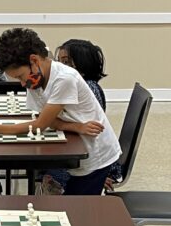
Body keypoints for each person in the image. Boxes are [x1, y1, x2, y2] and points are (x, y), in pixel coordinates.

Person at [0, 28, 120, 195]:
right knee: (69, 203)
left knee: (76, 208)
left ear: (34, 60)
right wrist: (75, 126)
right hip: (74, 146)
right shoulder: (35, 80)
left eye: (20, 76)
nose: (22, 83)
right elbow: (47, 120)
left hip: (96, 155)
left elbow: (40, 125)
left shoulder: (64, 79)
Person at [44, 39, 122, 194]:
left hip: (95, 160)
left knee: (48, 168)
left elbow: (90, 130)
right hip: (87, 152)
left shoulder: (88, 88)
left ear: (83, 64)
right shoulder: (72, 84)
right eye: (59, 61)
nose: (60, 67)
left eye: (66, 62)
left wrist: (98, 176)